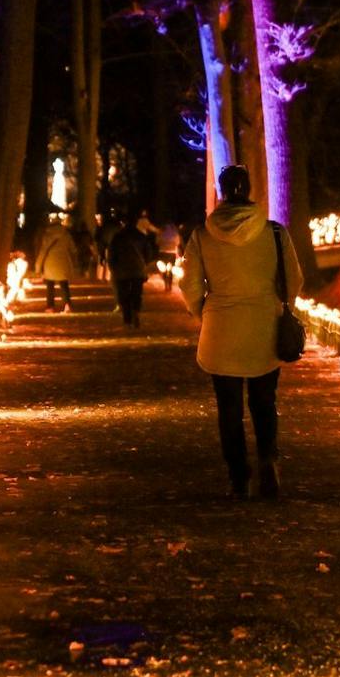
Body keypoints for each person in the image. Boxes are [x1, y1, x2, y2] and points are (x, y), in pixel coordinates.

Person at [179, 166, 303, 499]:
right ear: (250, 190)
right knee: (264, 401)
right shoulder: (274, 232)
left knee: (229, 408)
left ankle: (238, 474)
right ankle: (267, 459)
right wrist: (278, 302)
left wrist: (201, 310)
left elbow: (189, 283)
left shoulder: (203, 235)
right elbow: (294, 278)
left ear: (221, 191)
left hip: (221, 328)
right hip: (264, 324)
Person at [107, 212, 154, 328]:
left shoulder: (117, 237)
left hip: (121, 271)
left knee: (124, 295)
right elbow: (148, 253)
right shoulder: (141, 236)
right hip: (137, 270)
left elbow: (112, 255)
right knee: (136, 294)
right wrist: (144, 264)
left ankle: (127, 320)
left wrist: (113, 267)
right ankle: (136, 312)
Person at [33, 215, 76, 312]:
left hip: (50, 263)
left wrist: (38, 266)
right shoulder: (66, 235)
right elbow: (73, 248)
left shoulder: (47, 235)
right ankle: (67, 304)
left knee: (50, 286)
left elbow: (43, 251)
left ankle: (50, 306)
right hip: (63, 261)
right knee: (64, 285)